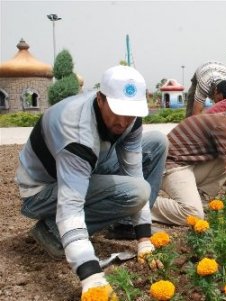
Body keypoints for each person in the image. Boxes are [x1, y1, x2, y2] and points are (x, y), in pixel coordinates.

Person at [15, 65, 168, 299]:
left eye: (130, 113)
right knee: (137, 192)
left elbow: (133, 171)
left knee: (157, 142)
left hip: (89, 166)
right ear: (100, 100)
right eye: (117, 111)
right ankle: (51, 232)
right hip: (41, 190)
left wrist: (144, 239)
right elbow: (70, 208)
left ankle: (126, 224)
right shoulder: (76, 130)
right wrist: (90, 274)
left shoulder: (130, 120)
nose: (122, 121)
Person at [152, 100, 226, 225]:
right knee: (193, 214)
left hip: (185, 163)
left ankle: (199, 197)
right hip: (170, 166)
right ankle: (140, 203)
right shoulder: (225, 127)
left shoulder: (223, 121)